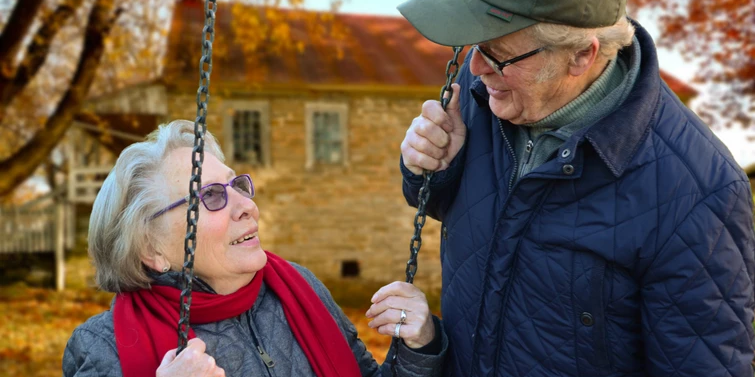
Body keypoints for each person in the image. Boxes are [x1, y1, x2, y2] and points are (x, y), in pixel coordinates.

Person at [397, 0, 755, 376]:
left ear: (582, 55)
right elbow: (451, 208)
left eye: (497, 55)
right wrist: (430, 168)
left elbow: (702, 366)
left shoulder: (697, 189)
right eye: (474, 46)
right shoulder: (485, 92)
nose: (476, 68)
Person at [63, 120, 447, 377]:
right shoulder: (102, 348)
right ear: (151, 249)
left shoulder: (299, 287)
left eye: (237, 186)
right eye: (211, 196)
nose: (247, 206)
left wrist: (419, 346)